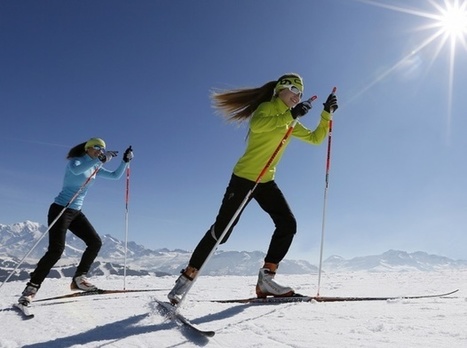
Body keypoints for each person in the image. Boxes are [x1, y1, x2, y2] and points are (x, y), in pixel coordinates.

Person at [168, 73, 338, 304]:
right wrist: (289, 116)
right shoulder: (267, 108)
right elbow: (258, 126)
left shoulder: (291, 120)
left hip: (266, 181)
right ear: (280, 90)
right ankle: (187, 278)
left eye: (300, 93)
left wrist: (326, 114)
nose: (297, 96)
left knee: (288, 224)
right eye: (294, 90)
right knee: (222, 232)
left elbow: (316, 138)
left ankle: (266, 279)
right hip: (245, 178)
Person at [18, 138, 134, 306]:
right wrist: (99, 160)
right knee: (56, 250)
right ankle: (31, 289)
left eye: (102, 149)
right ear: (87, 148)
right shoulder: (77, 162)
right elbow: (78, 171)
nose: (99, 151)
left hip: (76, 212)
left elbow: (115, 176)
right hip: (61, 209)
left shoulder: (95, 165)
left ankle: (79, 279)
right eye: (96, 148)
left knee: (95, 242)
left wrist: (125, 161)